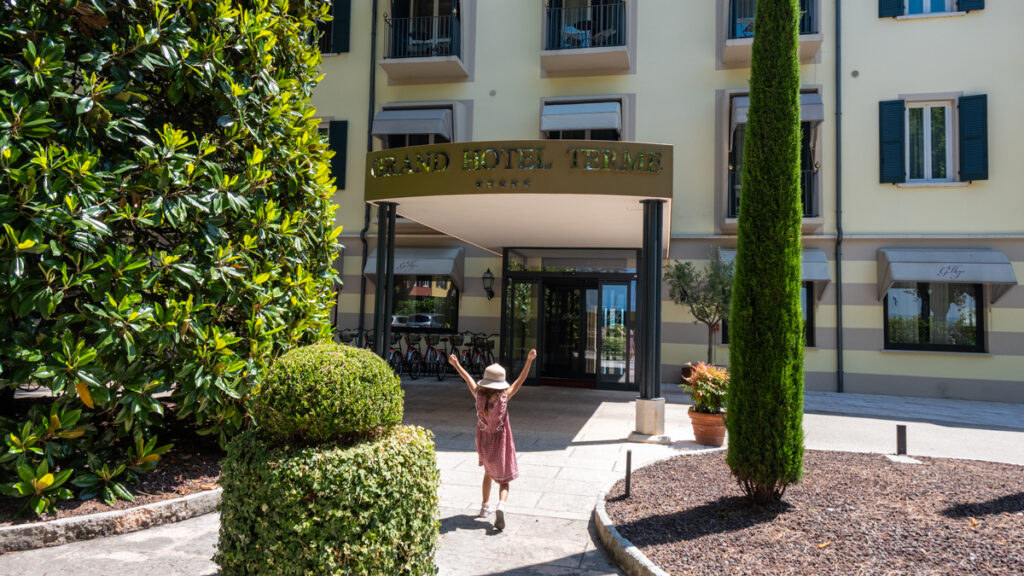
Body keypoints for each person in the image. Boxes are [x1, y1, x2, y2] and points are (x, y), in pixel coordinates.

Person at [449, 349, 537, 531]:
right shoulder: (504, 398)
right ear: (501, 384)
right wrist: (529, 361)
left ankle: (484, 507)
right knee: (504, 481)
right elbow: (520, 381)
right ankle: (501, 506)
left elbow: (468, 380)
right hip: (501, 445)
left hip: (484, 444)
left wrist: (457, 364)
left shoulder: (479, 396)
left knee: (488, 474)